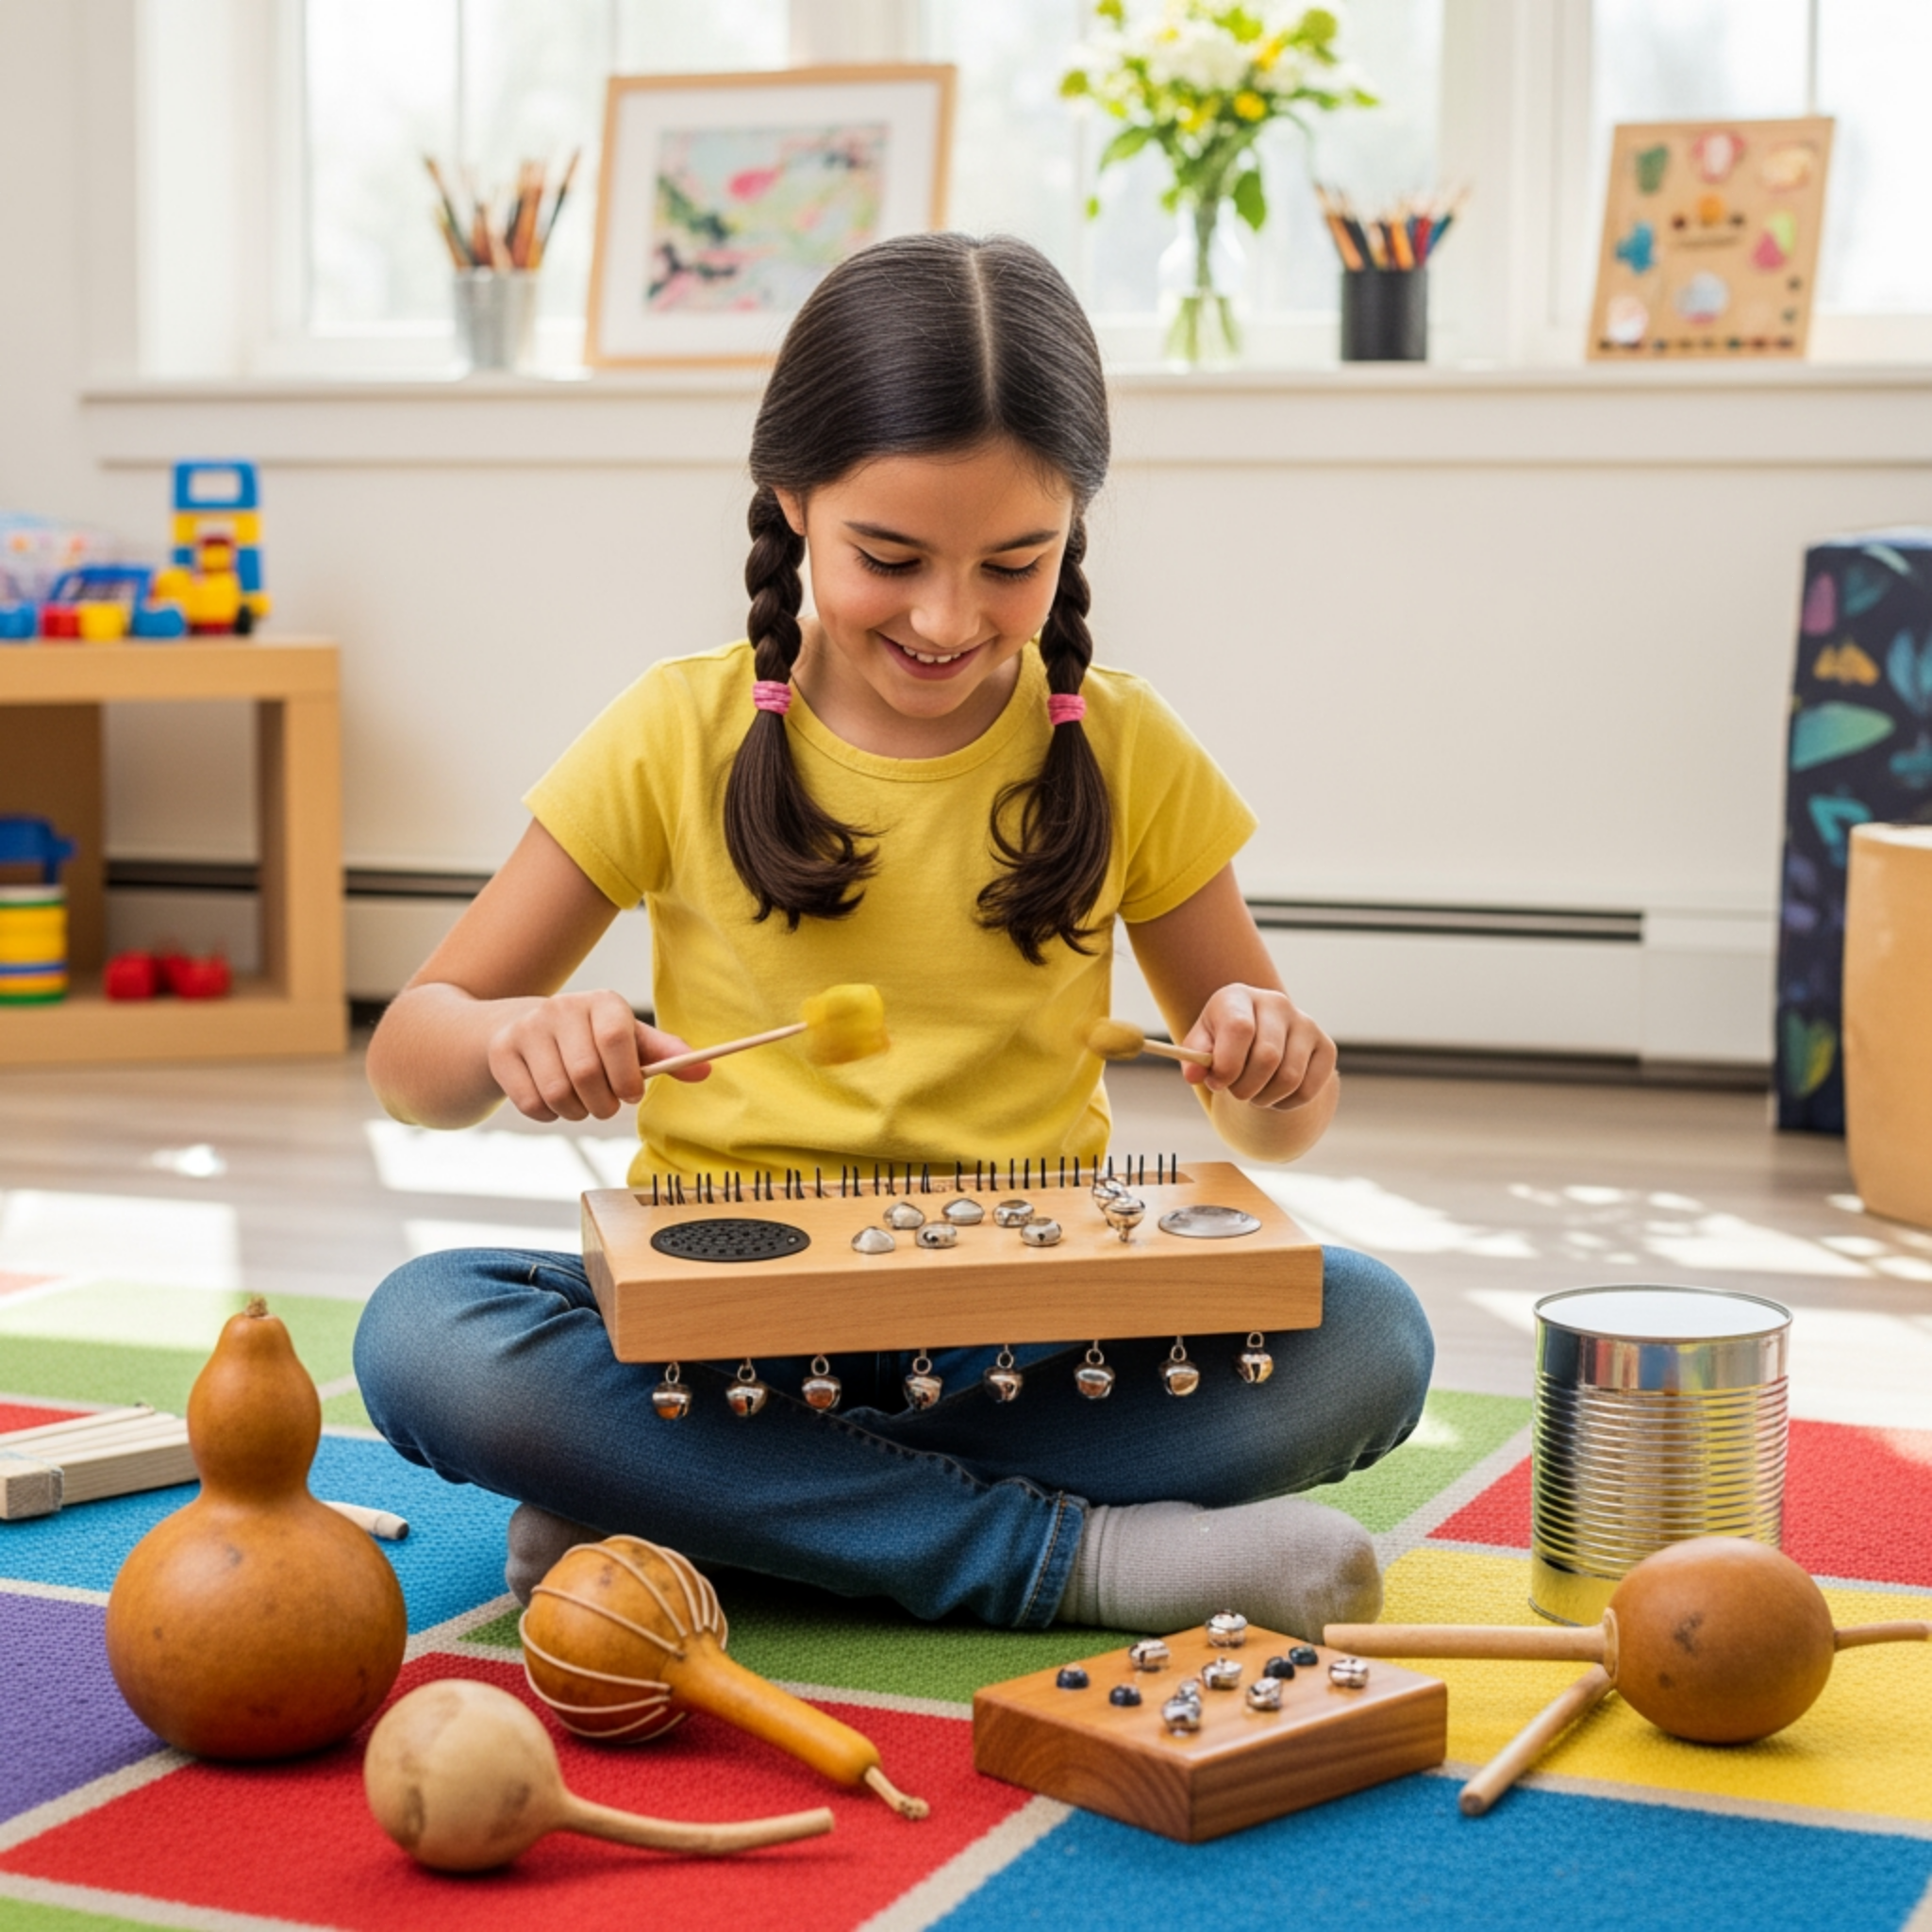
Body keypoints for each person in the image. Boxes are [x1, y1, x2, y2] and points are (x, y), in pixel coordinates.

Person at [355, 232, 1433, 1638]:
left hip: (1031, 1342)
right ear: (792, 501)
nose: (947, 617)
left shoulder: (1126, 747)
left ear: (1074, 530)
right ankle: (1073, 1561)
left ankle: (715, 1511)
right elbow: (411, 1062)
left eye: (1013, 564)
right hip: (722, 1331)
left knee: (1371, 1333)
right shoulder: (675, 731)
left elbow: (1278, 1129)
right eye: (890, 557)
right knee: (422, 1330)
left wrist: (1276, 1064)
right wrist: (511, 1037)